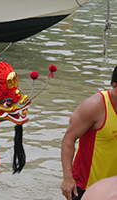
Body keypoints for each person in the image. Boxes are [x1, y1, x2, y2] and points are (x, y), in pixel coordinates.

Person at [61, 66, 117, 200]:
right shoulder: (95, 106)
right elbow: (68, 139)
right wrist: (67, 178)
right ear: (115, 86)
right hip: (85, 187)